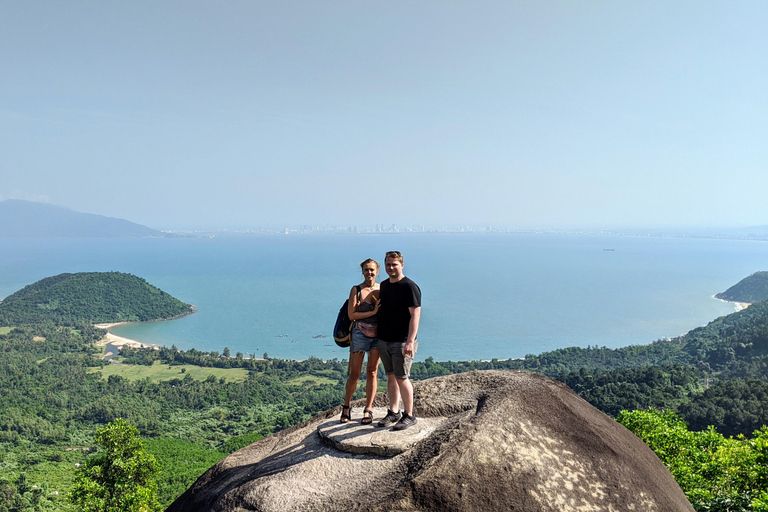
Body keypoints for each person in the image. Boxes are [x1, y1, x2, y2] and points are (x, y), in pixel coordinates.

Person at [376, 250, 421, 431]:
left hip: (401, 341)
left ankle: (409, 415)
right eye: (388, 264)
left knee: (403, 378)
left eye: (394, 264)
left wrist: (410, 341)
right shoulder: (385, 285)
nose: (391, 267)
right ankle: (393, 412)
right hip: (384, 339)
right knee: (391, 376)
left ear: (402, 265)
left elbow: (415, 314)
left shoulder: (409, 286)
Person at [340, 258, 382, 424]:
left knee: (372, 371)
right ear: (362, 271)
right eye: (366, 270)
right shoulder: (356, 290)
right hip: (359, 334)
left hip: (379, 335)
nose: (369, 273)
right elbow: (352, 315)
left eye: (372, 270)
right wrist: (372, 312)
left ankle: (368, 408)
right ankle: (346, 406)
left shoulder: (383, 288)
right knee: (354, 374)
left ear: (377, 271)